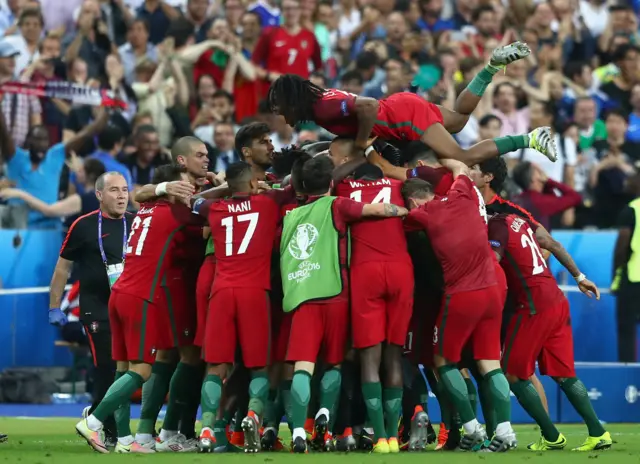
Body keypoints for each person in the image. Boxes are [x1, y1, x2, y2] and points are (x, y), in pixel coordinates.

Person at [279, 155, 409, 454]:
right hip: (338, 293)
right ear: (331, 183)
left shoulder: (290, 216)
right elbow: (375, 209)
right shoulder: (336, 204)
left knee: (303, 366)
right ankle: (326, 412)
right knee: (335, 363)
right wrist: (400, 210)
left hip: (302, 295)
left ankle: (299, 430)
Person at [75, 165, 199, 454]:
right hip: (141, 297)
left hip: (118, 294)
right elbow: (206, 222)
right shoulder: (175, 215)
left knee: (123, 370)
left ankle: (124, 440)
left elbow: (143, 194)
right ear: (171, 189)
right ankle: (93, 422)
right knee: (142, 371)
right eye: (182, 187)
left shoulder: (143, 211)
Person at [268, 43, 559, 166]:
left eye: (281, 109)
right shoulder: (320, 99)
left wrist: (360, 143)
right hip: (400, 105)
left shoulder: (322, 109)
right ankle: (491, 67)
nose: (282, 116)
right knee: (458, 119)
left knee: (462, 156)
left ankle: (531, 138)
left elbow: (367, 106)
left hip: (399, 116)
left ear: (292, 101)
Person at [401, 159, 516, 452]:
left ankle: (471, 427)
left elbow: (403, 217)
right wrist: (444, 159)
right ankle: (504, 432)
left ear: (414, 200)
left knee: (443, 361)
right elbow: (459, 166)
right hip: (493, 291)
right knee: (490, 365)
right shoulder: (463, 193)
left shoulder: (423, 214)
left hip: (462, 294)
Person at [192, 161, 296, 453]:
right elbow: (293, 186)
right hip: (255, 292)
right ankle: (252, 414)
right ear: (253, 183)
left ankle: (208, 429)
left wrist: (226, 187)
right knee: (259, 366)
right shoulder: (267, 203)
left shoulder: (214, 209)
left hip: (222, 291)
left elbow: (192, 202)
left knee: (216, 366)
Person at [488, 212, 612, 452]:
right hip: (555, 298)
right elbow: (551, 245)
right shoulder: (519, 220)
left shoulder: (495, 225)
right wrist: (579, 277)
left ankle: (551, 436)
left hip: (532, 304)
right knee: (564, 373)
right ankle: (598, 432)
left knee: (512, 374)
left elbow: (493, 260)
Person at [333, 149, 414, 453]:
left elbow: (328, 178)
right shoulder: (398, 188)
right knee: (394, 356)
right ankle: (394, 436)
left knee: (370, 358)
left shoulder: (345, 189)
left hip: (365, 273)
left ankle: (379, 437)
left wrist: (354, 155)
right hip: (401, 271)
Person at [50, 171, 131, 449]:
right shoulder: (82, 226)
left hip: (131, 308)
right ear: (99, 195)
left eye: (124, 190)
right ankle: (106, 428)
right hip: (97, 309)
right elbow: (63, 267)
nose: (122, 196)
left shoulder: (137, 223)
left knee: (129, 370)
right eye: (114, 190)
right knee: (107, 367)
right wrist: (54, 305)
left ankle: (96, 415)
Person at [0, 158, 106, 220]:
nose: (77, 172)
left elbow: (49, 210)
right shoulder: (101, 198)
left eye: (81, 170)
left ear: (90, 176)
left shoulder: (83, 199)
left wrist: (20, 194)